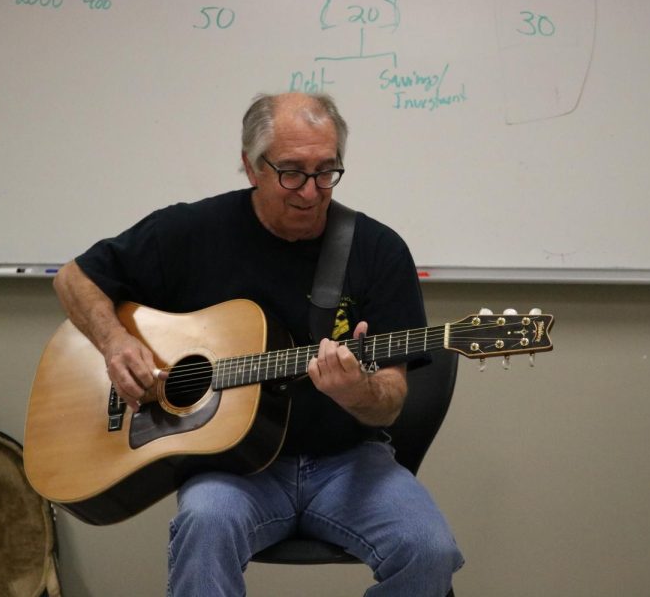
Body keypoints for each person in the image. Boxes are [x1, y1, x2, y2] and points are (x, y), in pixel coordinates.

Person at [53, 91, 463, 596]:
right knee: (205, 524)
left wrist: (356, 392)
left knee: (429, 549)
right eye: (291, 171)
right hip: (233, 469)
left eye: (326, 171)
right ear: (250, 166)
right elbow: (74, 279)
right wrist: (115, 342)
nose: (311, 192)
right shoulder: (190, 232)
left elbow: (391, 403)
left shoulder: (377, 250)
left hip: (347, 461)